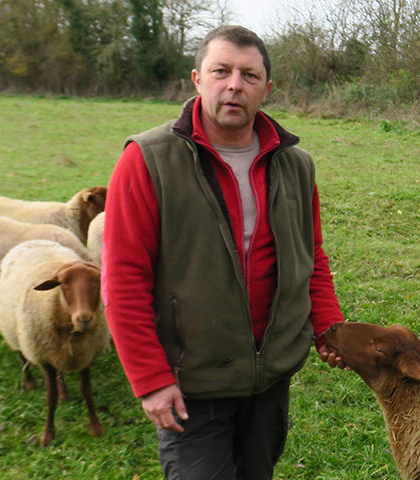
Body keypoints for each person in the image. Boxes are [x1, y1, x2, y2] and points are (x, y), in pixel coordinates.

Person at [102, 25, 346, 480]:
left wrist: (328, 326)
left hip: (269, 379)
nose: (235, 85)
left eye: (249, 75)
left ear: (266, 89)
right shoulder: (148, 159)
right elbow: (122, 278)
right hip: (193, 382)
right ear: (197, 79)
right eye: (222, 71)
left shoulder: (295, 164)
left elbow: (311, 256)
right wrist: (150, 378)